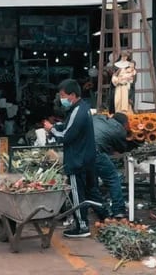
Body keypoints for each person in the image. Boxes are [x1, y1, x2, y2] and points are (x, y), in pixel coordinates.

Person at [44, 79, 99, 238]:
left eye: (63, 95)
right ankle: (88, 220)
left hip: (77, 160)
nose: (62, 99)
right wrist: (58, 127)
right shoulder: (81, 108)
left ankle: (82, 227)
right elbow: (70, 128)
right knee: (84, 192)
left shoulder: (78, 112)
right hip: (84, 158)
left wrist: (51, 129)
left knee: (76, 193)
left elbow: (66, 136)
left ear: (73, 95)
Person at [91, 112, 131, 219]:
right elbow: (121, 149)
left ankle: (100, 210)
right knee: (113, 179)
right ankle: (118, 210)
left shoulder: (98, 117)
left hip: (80, 151)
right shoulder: (119, 129)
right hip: (95, 152)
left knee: (91, 182)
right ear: (125, 124)